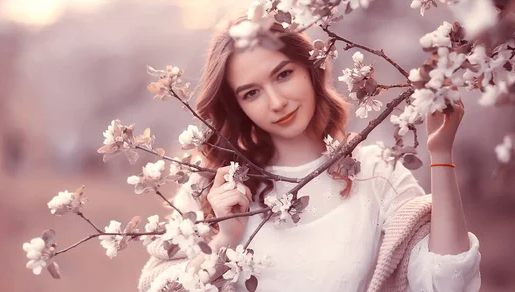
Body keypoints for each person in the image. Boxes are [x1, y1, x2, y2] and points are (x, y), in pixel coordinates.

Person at [138, 14, 481, 292]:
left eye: (284, 74)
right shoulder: (211, 189)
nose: (277, 102)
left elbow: (446, 282)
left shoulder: (377, 172)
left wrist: (441, 153)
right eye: (252, 93)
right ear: (237, 106)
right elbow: (160, 285)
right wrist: (225, 239)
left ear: (311, 68)